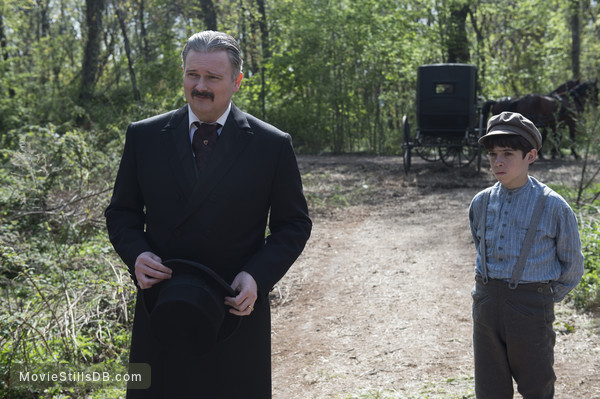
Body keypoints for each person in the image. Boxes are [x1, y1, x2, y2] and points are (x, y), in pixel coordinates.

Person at [105, 30, 312, 398]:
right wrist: (136, 255)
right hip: (162, 304)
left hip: (233, 306)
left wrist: (257, 277)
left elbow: (293, 225)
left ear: (236, 81)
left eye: (212, 78)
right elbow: (122, 213)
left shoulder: (271, 145)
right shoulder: (145, 136)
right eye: (192, 75)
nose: (200, 86)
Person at [468, 111, 584, 399]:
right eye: (493, 154)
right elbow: (480, 244)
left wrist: (540, 297)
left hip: (532, 305)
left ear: (530, 156)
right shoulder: (481, 202)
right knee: (489, 386)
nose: (498, 161)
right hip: (486, 303)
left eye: (508, 153)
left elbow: (572, 266)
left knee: (536, 384)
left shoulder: (553, 206)